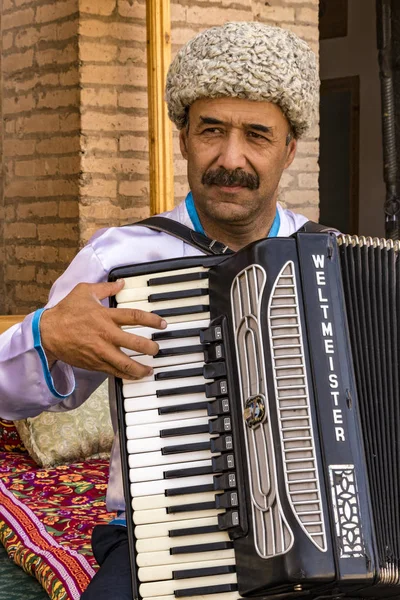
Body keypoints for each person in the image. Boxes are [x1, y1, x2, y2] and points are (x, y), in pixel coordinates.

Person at [0, 21, 320, 599]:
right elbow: (10, 396)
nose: (231, 158)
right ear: (184, 138)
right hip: (161, 535)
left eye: (257, 135)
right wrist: (45, 335)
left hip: (316, 537)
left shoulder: (331, 263)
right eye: (211, 130)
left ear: (289, 149)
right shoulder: (121, 258)